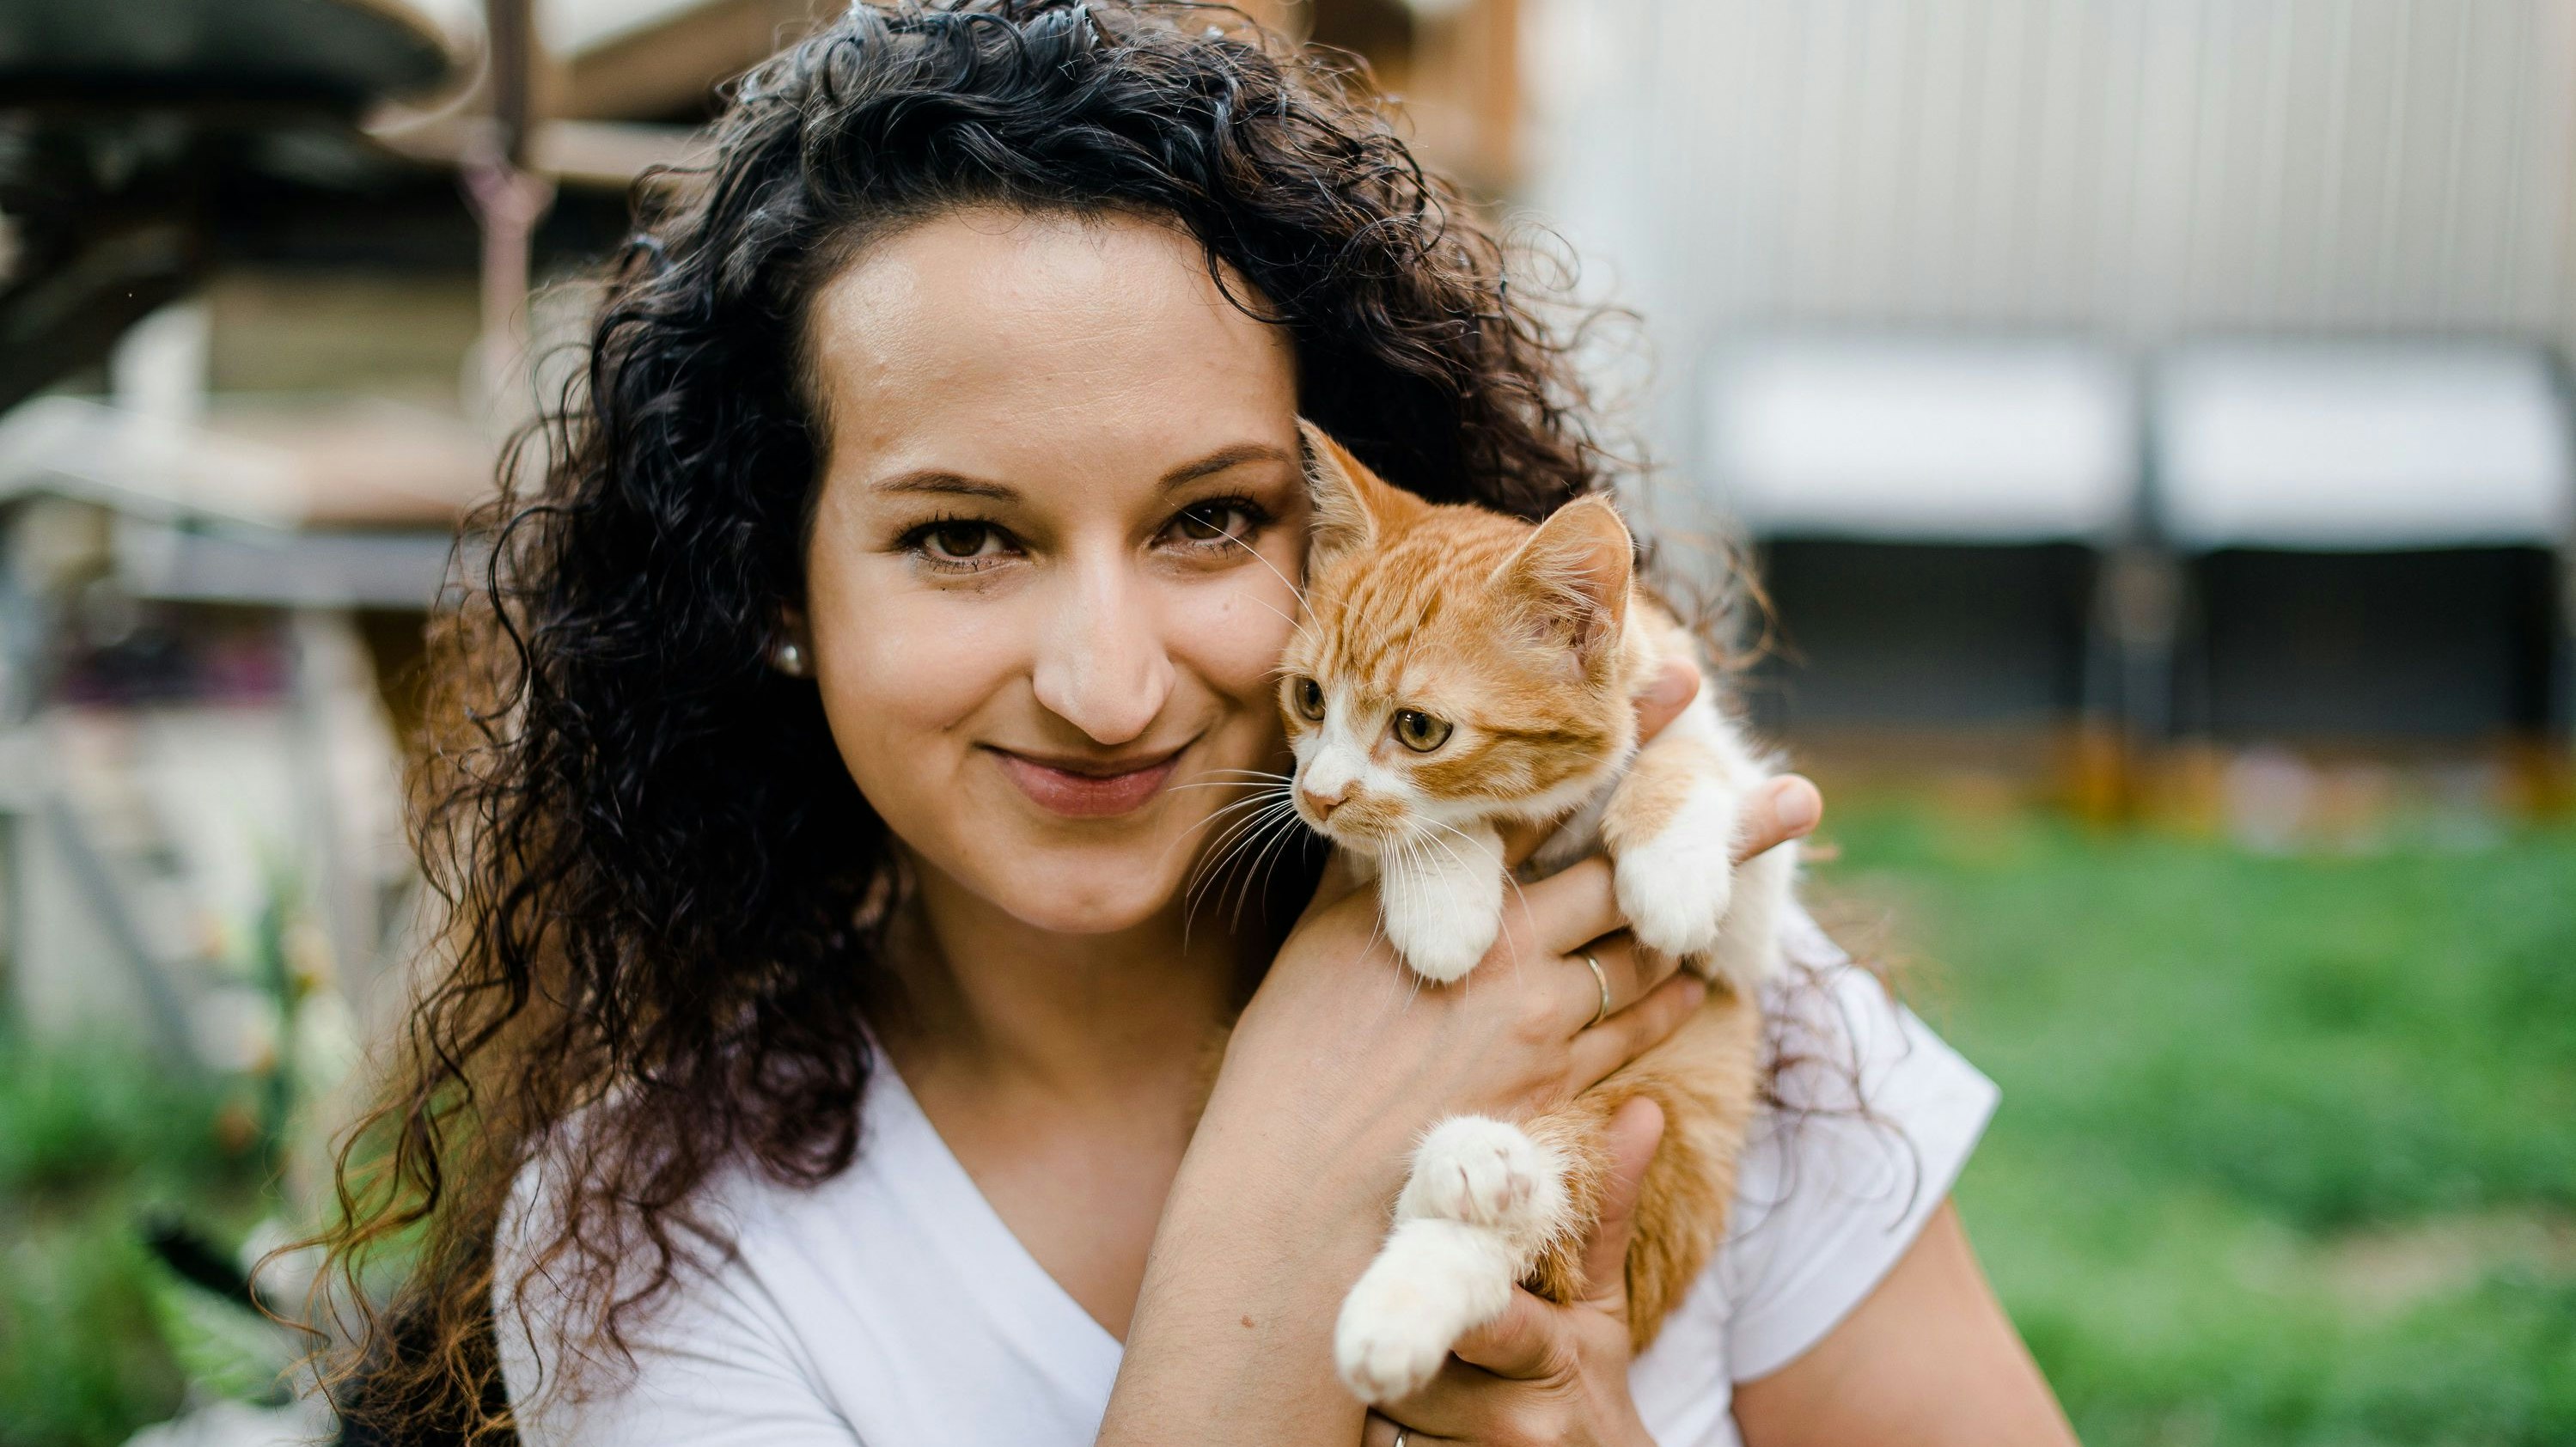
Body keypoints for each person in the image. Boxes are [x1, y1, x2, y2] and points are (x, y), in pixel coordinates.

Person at [320, 4, 2079, 1444]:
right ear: (769, 586)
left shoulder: (1667, 971)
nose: (1106, 683)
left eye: (1212, 519)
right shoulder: (656, 1235)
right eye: (962, 535)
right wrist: (1273, 1179)